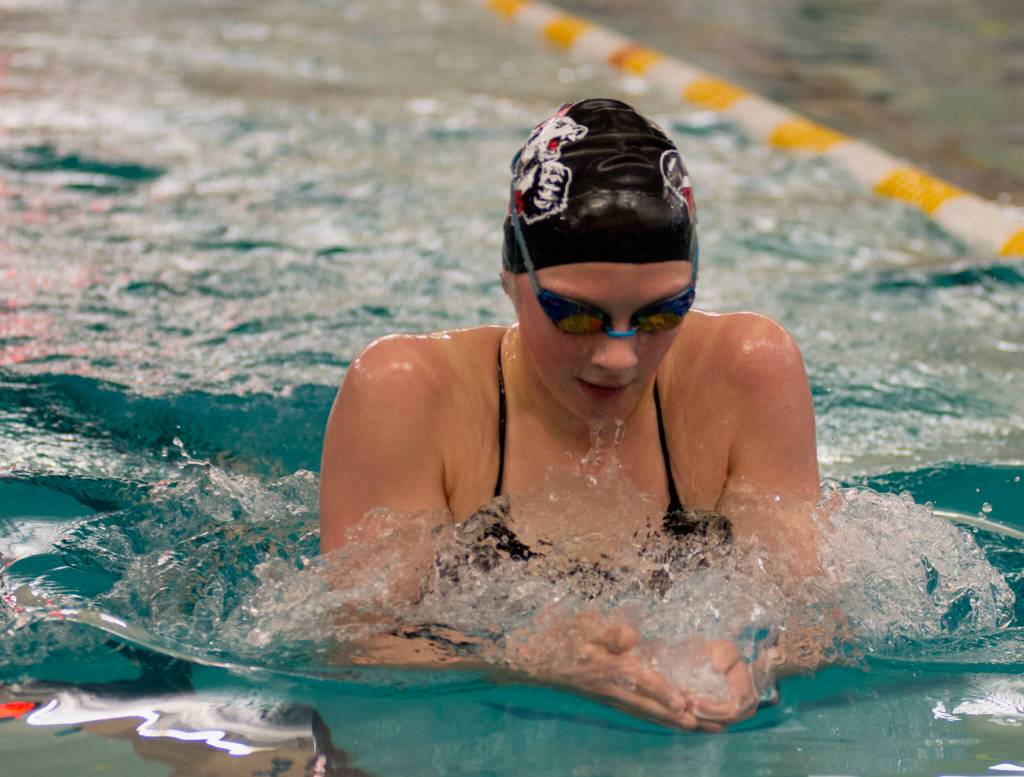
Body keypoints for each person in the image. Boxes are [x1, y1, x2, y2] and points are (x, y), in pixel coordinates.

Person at [319, 98, 824, 731]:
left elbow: (815, 613)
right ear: (512, 272)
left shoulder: (748, 370)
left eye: (662, 314)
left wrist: (758, 661)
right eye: (576, 316)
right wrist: (516, 656)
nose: (619, 358)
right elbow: (349, 641)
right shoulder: (410, 393)